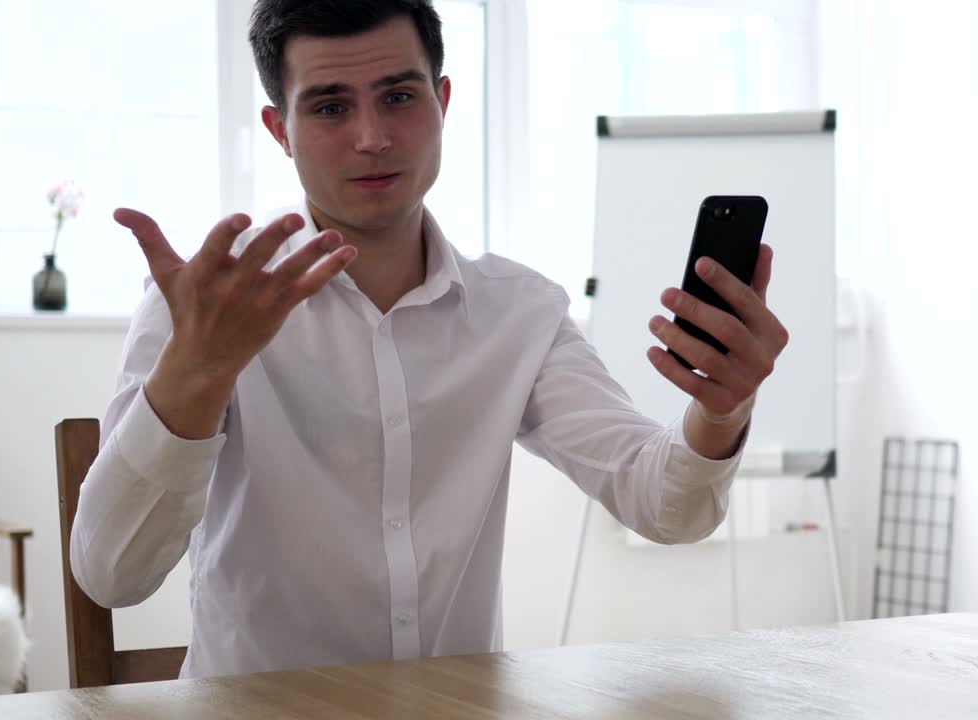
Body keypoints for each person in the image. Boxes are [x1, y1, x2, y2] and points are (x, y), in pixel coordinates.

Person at [71, 0, 789, 679]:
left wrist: (720, 411)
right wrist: (195, 374)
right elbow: (111, 574)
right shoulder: (205, 309)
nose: (372, 136)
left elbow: (664, 504)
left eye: (399, 96)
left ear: (442, 101)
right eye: (329, 107)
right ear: (278, 129)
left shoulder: (519, 311)